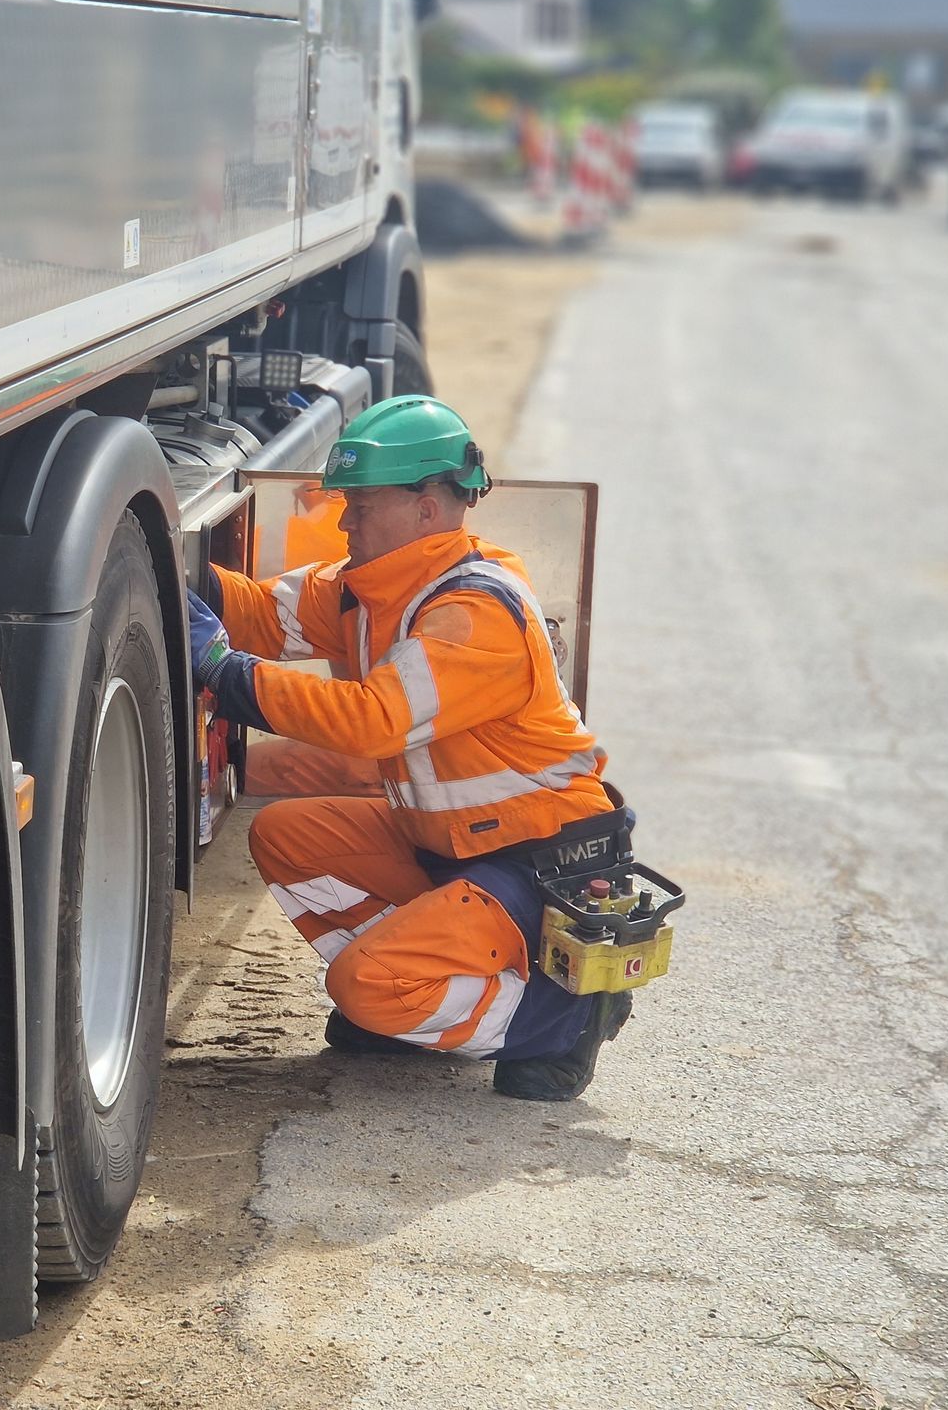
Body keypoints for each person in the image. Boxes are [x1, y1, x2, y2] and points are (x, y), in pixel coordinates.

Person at [189, 395, 633, 1100]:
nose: (346, 521)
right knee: (286, 835)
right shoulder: (371, 591)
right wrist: (184, 575)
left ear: (426, 508)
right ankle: (413, 1006)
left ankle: (560, 1020)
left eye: (362, 506)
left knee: (365, 985)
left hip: (536, 865)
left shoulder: (476, 614)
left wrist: (224, 672)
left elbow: (371, 721)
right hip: (453, 847)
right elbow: (261, 616)